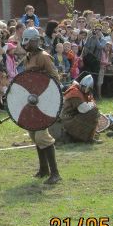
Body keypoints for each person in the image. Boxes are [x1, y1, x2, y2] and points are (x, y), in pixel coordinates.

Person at [21, 27, 61, 184]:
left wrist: (46, 90)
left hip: (45, 100)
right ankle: (44, 169)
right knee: (33, 134)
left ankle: (55, 173)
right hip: (33, 101)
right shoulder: (28, 57)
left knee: (41, 136)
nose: (25, 44)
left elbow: (55, 78)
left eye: (28, 41)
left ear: (35, 41)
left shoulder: (44, 57)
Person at [58, 74, 100, 143]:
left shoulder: (81, 92)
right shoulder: (75, 93)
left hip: (73, 117)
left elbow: (89, 105)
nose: (86, 90)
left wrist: (91, 105)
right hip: (68, 120)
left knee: (94, 111)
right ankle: (87, 138)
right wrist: (92, 105)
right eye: (85, 87)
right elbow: (83, 109)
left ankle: (88, 137)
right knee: (93, 112)